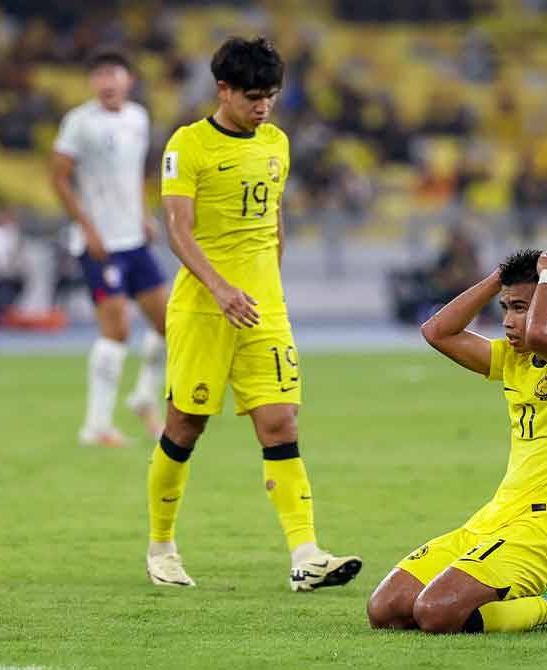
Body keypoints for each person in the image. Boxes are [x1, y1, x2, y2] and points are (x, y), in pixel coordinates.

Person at [149, 36, 361, 591]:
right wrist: (220, 289)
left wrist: (272, 283)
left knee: (280, 422)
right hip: (203, 308)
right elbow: (177, 230)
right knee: (184, 425)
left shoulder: (277, 144)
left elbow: (273, 220)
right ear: (223, 89)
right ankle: (162, 546)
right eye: (252, 96)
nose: (263, 105)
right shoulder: (188, 144)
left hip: (262, 309)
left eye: (270, 95)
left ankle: (306, 555)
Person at [367, 249, 547, 633]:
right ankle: (533, 595)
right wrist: (498, 276)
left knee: (436, 614)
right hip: (493, 519)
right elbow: (436, 332)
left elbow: (541, 333)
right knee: (385, 610)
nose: (507, 322)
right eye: (505, 308)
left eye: (519, 308)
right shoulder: (514, 360)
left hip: (545, 528)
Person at [50, 48, 168, 447]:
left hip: (133, 240)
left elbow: (132, 173)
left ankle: (142, 396)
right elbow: (59, 178)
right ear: (91, 83)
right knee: (116, 329)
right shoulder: (79, 123)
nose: (106, 82)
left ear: (128, 80)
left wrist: (143, 215)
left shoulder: (138, 118)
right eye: (99, 75)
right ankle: (96, 425)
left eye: (113, 74)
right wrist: (89, 230)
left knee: (170, 324)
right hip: (100, 245)